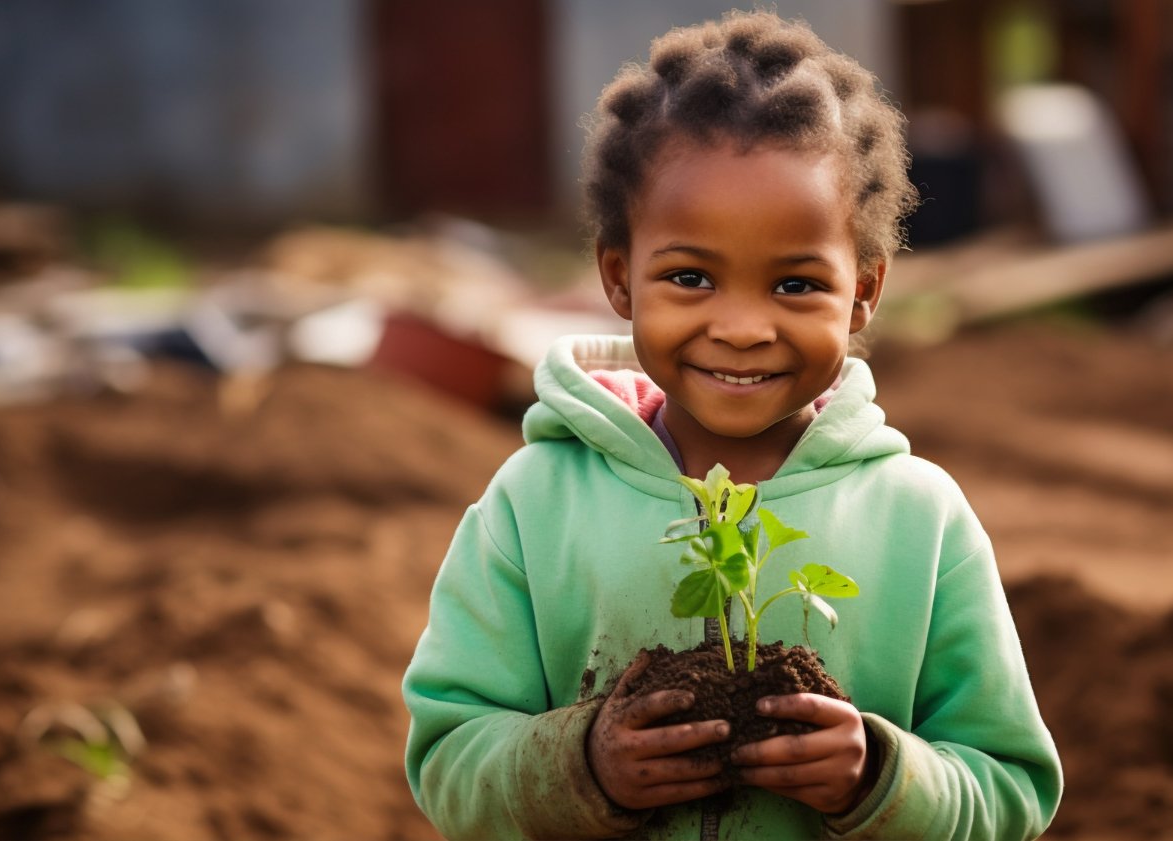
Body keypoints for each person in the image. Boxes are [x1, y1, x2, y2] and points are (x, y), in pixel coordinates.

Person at [403, 11, 1062, 840]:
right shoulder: (533, 503)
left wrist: (877, 776)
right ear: (618, 277)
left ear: (864, 290)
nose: (744, 327)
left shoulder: (921, 519)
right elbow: (446, 761)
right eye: (690, 277)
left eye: (795, 285)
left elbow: (1013, 792)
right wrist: (582, 766)